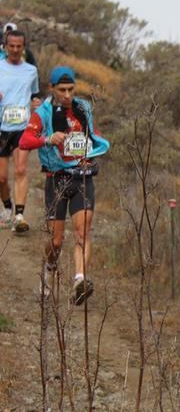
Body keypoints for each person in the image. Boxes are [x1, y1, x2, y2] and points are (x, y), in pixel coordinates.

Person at [19, 66, 109, 305]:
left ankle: (80, 280)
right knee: (56, 241)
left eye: (71, 89)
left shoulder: (83, 108)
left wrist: (94, 146)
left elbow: (94, 133)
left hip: (82, 177)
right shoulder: (44, 112)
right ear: (52, 89)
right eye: (62, 90)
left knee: (82, 232)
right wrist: (47, 139)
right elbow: (25, 140)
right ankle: (49, 268)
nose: (67, 95)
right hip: (56, 179)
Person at [0, 30, 41, 232]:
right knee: (1, 177)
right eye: (11, 46)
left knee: (21, 169)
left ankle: (19, 215)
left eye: (19, 46)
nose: (15, 50)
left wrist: (36, 104)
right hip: (1, 126)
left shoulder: (31, 71)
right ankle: (7, 207)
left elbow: (34, 95)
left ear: (23, 47)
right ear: (5, 46)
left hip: (22, 127)